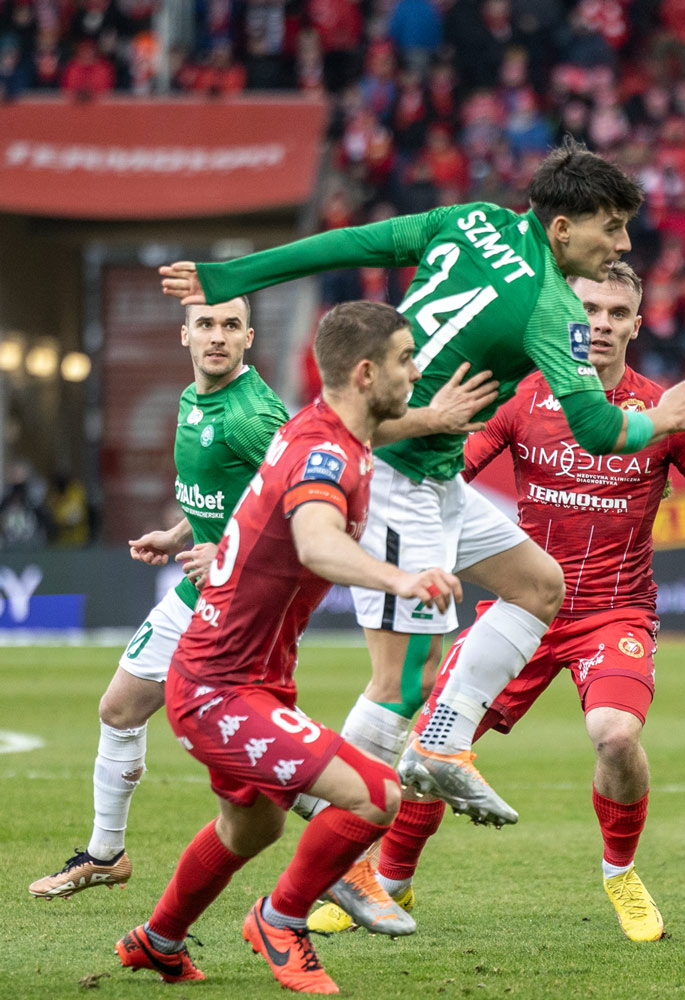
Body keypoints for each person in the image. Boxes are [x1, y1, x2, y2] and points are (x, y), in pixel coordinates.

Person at [158, 138, 685, 867]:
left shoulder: (472, 218)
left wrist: (227, 273)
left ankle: (444, 741)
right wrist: (663, 419)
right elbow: (601, 428)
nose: (623, 241)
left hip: (431, 468)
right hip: (393, 474)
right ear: (561, 229)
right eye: (611, 226)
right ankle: (336, 862)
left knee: (540, 585)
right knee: (401, 682)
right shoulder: (552, 310)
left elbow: (351, 242)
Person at [312, 261, 685, 942]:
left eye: (616, 313)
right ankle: (391, 883)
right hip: (524, 611)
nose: (600, 324)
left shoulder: (664, 411)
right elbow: (450, 473)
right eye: (588, 308)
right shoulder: (525, 397)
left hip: (613, 613)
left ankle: (620, 874)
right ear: (567, 313)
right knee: (431, 748)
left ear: (636, 324)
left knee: (616, 736)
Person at [27, 298, 495, 903]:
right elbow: (243, 490)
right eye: (205, 326)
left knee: (257, 761)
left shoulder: (253, 413)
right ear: (185, 335)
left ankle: (350, 853)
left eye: (229, 327)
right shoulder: (192, 399)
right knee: (120, 710)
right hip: (201, 586)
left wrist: (221, 546)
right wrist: (181, 535)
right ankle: (106, 854)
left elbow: (305, 484)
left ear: (249, 336)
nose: (216, 337)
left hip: (243, 601)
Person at [113, 301, 463, 994]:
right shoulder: (326, 451)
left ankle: (157, 941)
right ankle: (280, 918)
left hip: (246, 677)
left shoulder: (319, 426)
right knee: (376, 795)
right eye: (404, 360)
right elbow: (315, 541)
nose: (416, 371)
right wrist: (402, 579)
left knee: (252, 828)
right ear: (366, 374)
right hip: (219, 689)